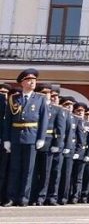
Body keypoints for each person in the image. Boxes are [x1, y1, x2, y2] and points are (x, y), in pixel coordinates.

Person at [2, 68, 49, 207]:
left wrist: (41, 138)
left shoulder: (40, 99)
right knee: (14, 169)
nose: (32, 82)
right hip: (16, 137)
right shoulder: (14, 99)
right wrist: (6, 139)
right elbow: (8, 121)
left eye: (34, 80)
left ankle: (24, 197)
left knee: (28, 170)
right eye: (29, 80)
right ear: (22, 83)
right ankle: (11, 197)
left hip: (32, 137)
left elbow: (44, 120)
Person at [43, 86, 69, 206]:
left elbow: (62, 130)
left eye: (55, 96)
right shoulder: (43, 107)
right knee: (42, 171)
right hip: (42, 143)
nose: (53, 98)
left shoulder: (59, 110)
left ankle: (52, 196)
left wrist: (58, 144)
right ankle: (40, 196)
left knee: (54, 172)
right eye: (51, 96)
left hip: (54, 144)